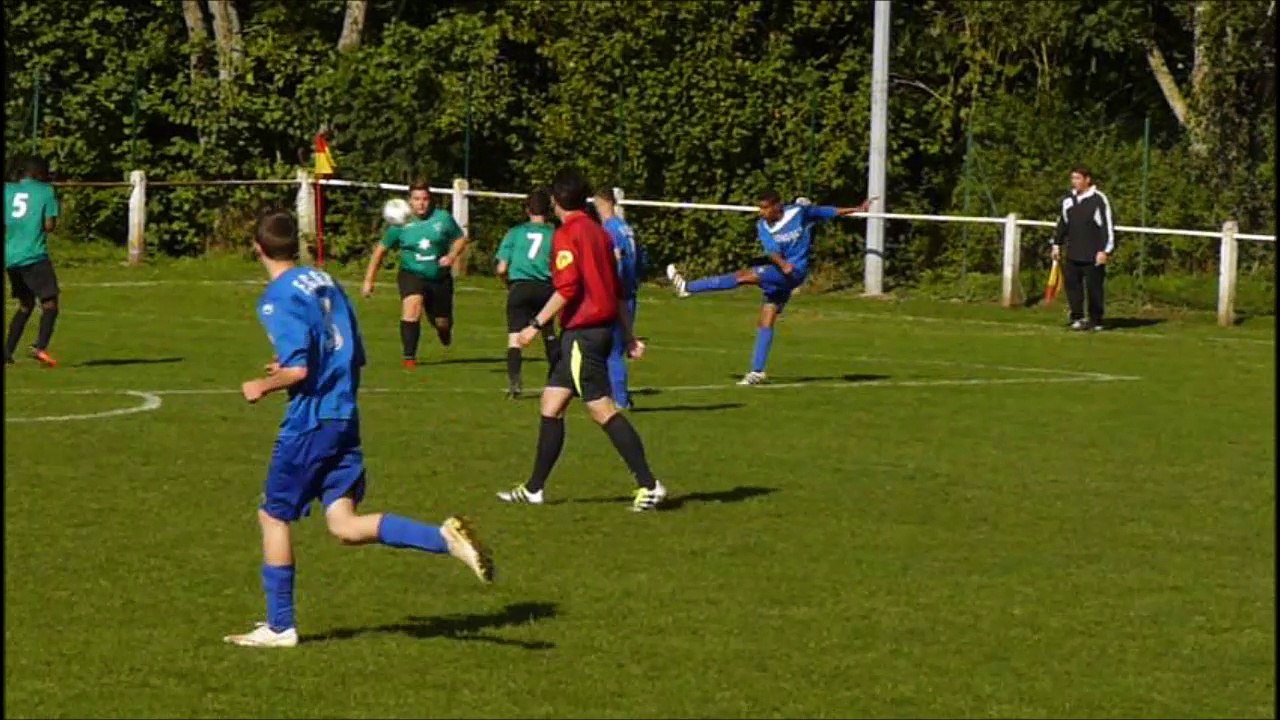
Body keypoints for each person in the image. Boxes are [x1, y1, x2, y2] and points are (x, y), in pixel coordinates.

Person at [226, 209, 493, 649]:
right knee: (344, 525)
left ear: (257, 248)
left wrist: (264, 384)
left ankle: (279, 626)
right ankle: (443, 538)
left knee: (273, 515)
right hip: (344, 415)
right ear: (296, 244)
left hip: (312, 420)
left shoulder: (276, 298)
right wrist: (299, 368)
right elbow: (349, 350)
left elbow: (298, 369)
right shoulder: (324, 280)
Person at [496, 168, 667, 512]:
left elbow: (568, 287)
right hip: (596, 330)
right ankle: (534, 489)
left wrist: (534, 325)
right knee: (551, 403)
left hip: (583, 334)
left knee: (601, 408)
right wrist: (629, 334)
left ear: (556, 200)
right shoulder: (600, 233)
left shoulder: (567, 235)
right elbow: (616, 290)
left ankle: (649, 484)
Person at [665, 190, 874, 385]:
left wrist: (856, 209)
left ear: (777, 206)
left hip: (795, 272)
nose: (761, 212)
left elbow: (828, 211)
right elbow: (771, 251)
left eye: (765, 208)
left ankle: (688, 287)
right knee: (766, 318)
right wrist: (782, 264)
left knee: (742, 276)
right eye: (760, 208)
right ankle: (757, 371)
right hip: (782, 273)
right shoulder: (762, 226)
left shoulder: (798, 213)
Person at [361, 180, 468, 368]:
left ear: (430, 200)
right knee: (412, 307)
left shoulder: (442, 218)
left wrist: (452, 256)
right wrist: (369, 280)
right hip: (411, 274)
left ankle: (443, 330)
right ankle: (409, 357)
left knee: (442, 322)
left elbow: (460, 238)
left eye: (425, 199)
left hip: (439, 277)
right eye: (417, 199)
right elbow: (380, 251)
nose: (421, 204)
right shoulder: (400, 223)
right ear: (409, 201)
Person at [495, 189, 560, 398]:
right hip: (545, 288)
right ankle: (556, 379)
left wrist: (508, 284)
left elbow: (501, 268)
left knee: (514, 338)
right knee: (548, 333)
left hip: (520, 287)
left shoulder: (515, 232)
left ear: (527, 210)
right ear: (549, 210)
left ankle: (515, 384)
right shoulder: (556, 234)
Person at [5, 155, 62, 367]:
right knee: (50, 303)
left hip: (11, 256)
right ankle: (40, 347)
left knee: (25, 304)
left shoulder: (8, 190)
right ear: (38, 173)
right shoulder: (45, 191)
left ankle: (7, 351)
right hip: (34, 255)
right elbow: (49, 226)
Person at [594, 188, 641, 410]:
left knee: (612, 350)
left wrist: (610, 288)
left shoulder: (609, 230)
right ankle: (616, 394)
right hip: (630, 292)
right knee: (616, 348)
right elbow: (640, 259)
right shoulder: (626, 228)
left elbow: (616, 262)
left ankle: (620, 400)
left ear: (602, 203)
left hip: (617, 295)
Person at [1052, 166, 1115, 331]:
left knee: (1094, 288)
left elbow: (1106, 226)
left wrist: (1105, 250)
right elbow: (1062, 223)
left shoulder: (1098, 199)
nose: (1074, 182)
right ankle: (1077, 317)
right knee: (1073, 287)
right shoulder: (1068, 200)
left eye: (1078, 178)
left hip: (1093, 253)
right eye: (1073, 178)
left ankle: (1096, 320)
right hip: (1073, 252)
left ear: (1087, 180)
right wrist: (1056, 244)